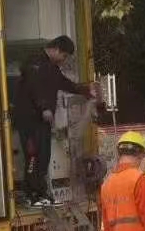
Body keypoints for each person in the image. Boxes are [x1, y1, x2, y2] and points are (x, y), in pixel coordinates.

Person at [13, 35, 94, 206]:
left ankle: (41, 192)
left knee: (43, 157)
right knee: (33, 156)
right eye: (64, 56)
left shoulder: (52, 68)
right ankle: (31, 194)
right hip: (29, 120)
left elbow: (63, 83)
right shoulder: (34, 63)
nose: (64, 61)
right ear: (56, 49)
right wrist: (44, 107)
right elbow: (34, 87)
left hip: (42, 122)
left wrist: (84, 90)